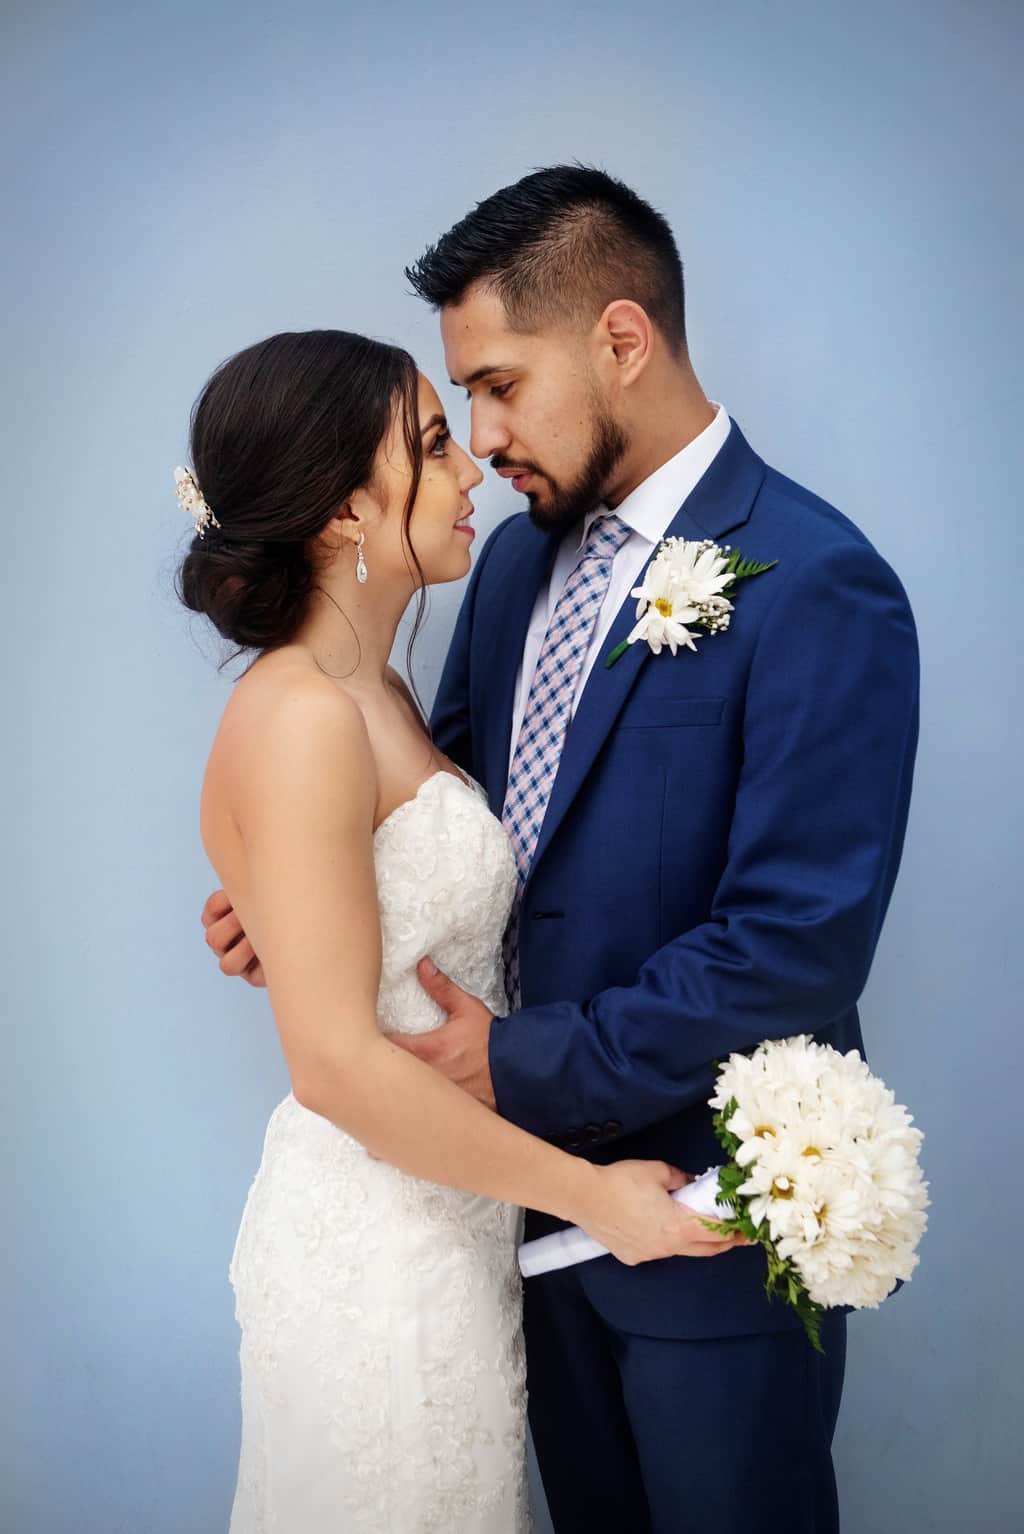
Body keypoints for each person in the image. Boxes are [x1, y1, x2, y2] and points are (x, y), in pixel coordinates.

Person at [205, 168, 920, 1532]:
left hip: (694, 1226)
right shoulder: (519, 564)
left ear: (621, 339)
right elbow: (446, 811)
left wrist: (517, 1060)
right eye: (456, 404)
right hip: (504, 1238)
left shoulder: (820, 581)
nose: (481, 436)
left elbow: (795, 941)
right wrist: (302, 897)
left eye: (498, 385)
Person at [181, 328, 744, 1534]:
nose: (471, 469)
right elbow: (333, 1063)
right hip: (373, 1245)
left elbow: (383, 907)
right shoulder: (299, 716)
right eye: (433, 446)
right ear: (343, 509)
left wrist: (287, 917)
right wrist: (594, 1194)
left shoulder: (377, 693)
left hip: (451, 1225)